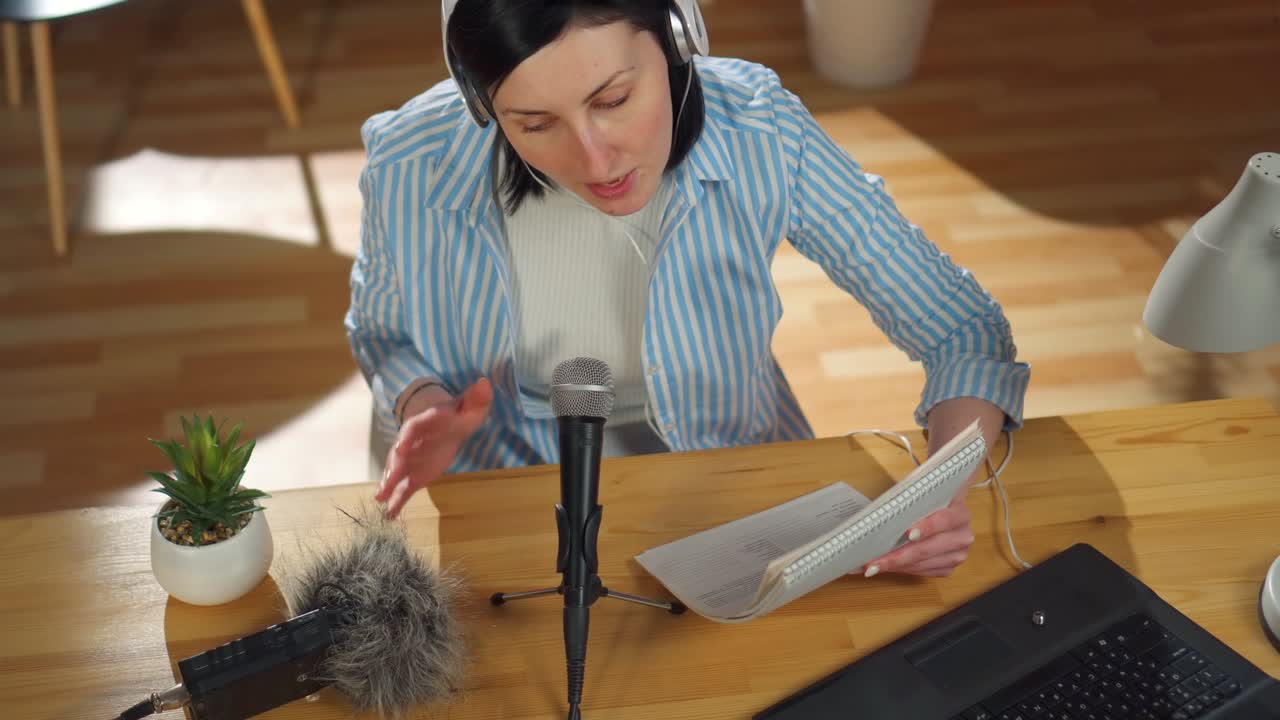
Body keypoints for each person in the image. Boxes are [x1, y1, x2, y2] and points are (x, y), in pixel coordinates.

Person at [346, 0, 1030, 578]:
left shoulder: (759, 126)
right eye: (535, 124)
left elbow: (961, 329)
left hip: (733, 483)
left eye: (613, 100)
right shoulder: (408, 160)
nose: (595, 158)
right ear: (480, 103)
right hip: (515, 498)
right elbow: (379, 332)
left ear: (679, 38)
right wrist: (421, 399)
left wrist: (937, 492)